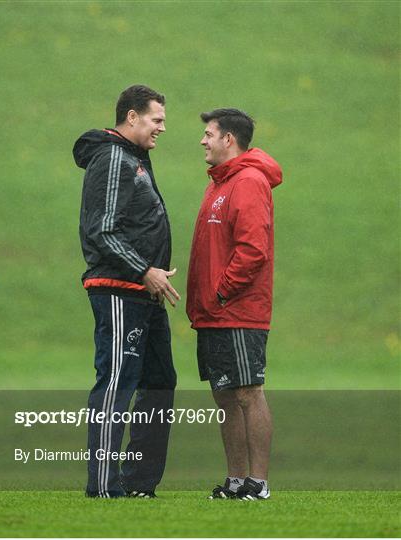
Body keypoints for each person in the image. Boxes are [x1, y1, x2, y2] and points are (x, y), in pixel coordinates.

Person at [73, 84, 180, 498]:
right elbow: (102, 231)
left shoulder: (134, 158)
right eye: (157, 119)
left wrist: (149, 276)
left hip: (144, 294)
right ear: (132, 117)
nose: (162, 128)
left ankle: (139, 484)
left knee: (159, 381)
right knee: (117, 381)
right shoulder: (114, 158)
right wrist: (144, 269)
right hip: (120, 290)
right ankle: (103, 486)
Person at [186, 108, 282, 500]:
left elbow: (253, 250)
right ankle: (237, 481)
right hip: (214, 314)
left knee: (248, 392)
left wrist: (223, 292)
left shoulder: (248, 181)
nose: (203, 140)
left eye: (209, 134)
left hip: (238, 311)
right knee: (224, 395)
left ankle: (258, 484)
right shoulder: (218, 184)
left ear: (229, 139)